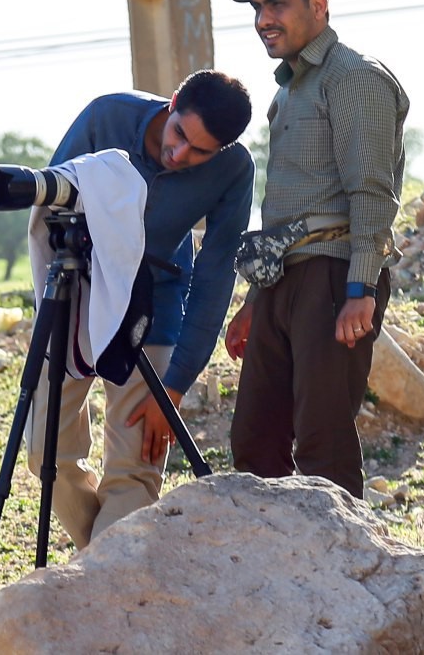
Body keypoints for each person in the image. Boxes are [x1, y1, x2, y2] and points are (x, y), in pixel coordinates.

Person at [26, 69, 254, 548]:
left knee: (135, 468)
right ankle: (106, 566)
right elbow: (50, 201)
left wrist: (174, 386)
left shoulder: (235, 169)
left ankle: (104, 584)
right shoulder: (108, 116)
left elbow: (215, 276)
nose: (179, 154)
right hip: (77, 294)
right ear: (172, 103)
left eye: (200, 152)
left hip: (153, 302)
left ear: (223, 151)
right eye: (179, 135)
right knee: (45, 454)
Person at [224, 0, 409, 499]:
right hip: (283, 280)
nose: (263, 19)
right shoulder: (288, 90)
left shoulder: (356, 77)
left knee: (322, 444)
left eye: (277, 3)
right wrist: (258, 299)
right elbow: (286, 209)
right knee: (254, 443)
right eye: (258, 8)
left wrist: (360, 289)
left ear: (319, 5)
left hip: (334, 279)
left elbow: (372, 191)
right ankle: (279, 574)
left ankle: (345, 575)